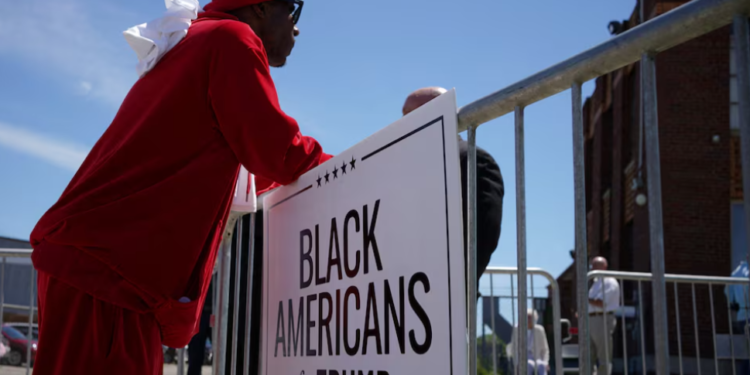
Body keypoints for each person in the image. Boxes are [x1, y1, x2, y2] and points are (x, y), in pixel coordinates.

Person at [29, 0, 331, 373]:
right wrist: (354, 168)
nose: (297, 29)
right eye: (293, 11)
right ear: (262, 8)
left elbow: (239, 163)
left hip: (99, 265)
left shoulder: (197, 39)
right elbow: (278, 152)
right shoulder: (231, 38)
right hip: (107, 272)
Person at [402, 87, 504, 298]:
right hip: (403, 297)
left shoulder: (473, 159)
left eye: (410, 116)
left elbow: (483, 234)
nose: (402, 125)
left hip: (446, 299)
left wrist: (451, 284)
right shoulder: (404, 167)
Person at [588, 256, 620, 375]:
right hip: (592, 319)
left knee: (603, 356)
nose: (593, 268)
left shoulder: (609, 281)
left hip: (602, 319)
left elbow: (600, 302)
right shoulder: (596, 282)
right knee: (589, 356)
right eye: (592, 265)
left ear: (604, 267)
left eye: (596, 265)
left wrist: (585, 299)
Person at [507, 309, 550, 375]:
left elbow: (545, 349)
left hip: (537, 357)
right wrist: (516, 363)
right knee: (528, 365)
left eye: (531, 318)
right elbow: (514, 347)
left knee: (542, 365)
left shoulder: (540, 329)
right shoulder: (517, 329)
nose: (529, 320)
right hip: (523, 358)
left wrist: (546, 362)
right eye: (527, 318)